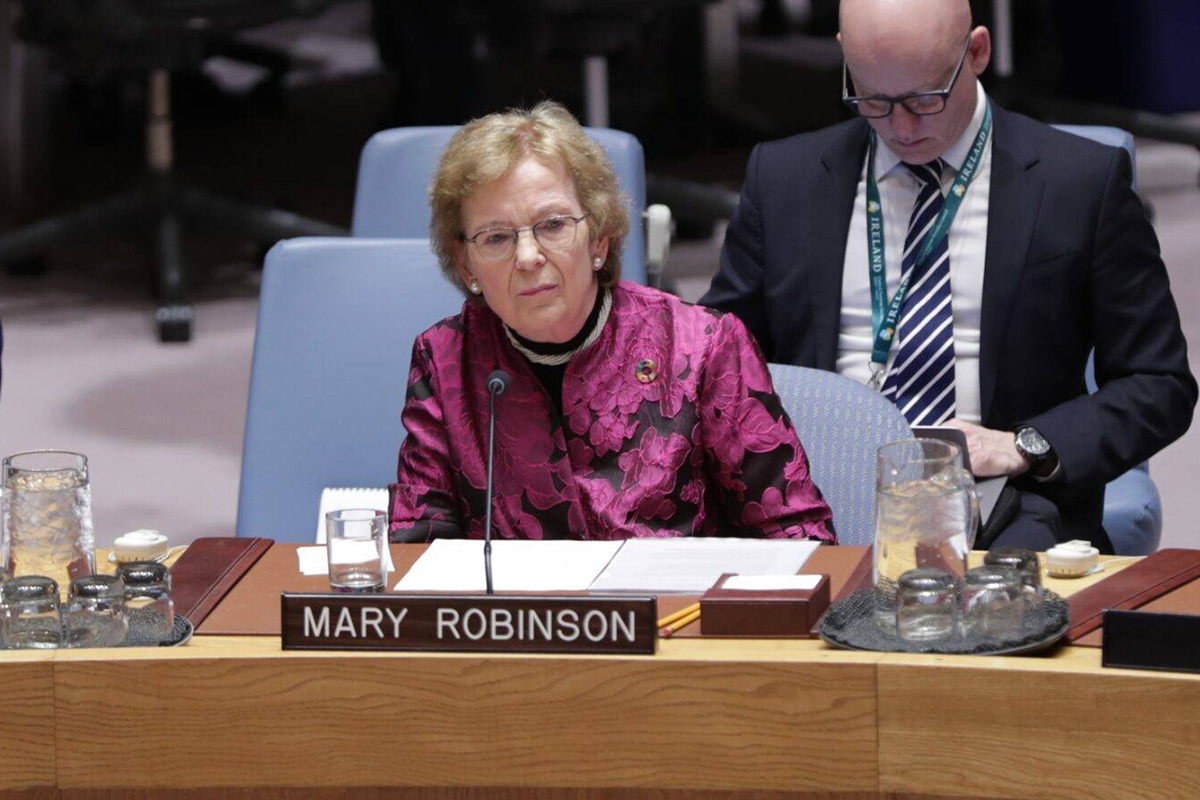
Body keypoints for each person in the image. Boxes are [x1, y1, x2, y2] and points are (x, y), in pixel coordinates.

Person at [701, 0, 1196, 552]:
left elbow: (1159, 385)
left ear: (977, 52)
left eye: (924, 99)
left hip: (1003, 501)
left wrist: (1023, 446)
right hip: (814, 496)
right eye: (873, 99)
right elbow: (717, 359)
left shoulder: (1079, 183)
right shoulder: (782, 179)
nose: (902, 127)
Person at [388, 101, 834, 544]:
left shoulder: (702, 347)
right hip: (515, 616)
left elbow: (797, 536)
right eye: (497, 238)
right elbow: (418, 545)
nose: (527, 257)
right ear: (467, 266)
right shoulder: (444, 359)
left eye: (553, 225)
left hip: (677, 612)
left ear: (599, 238)